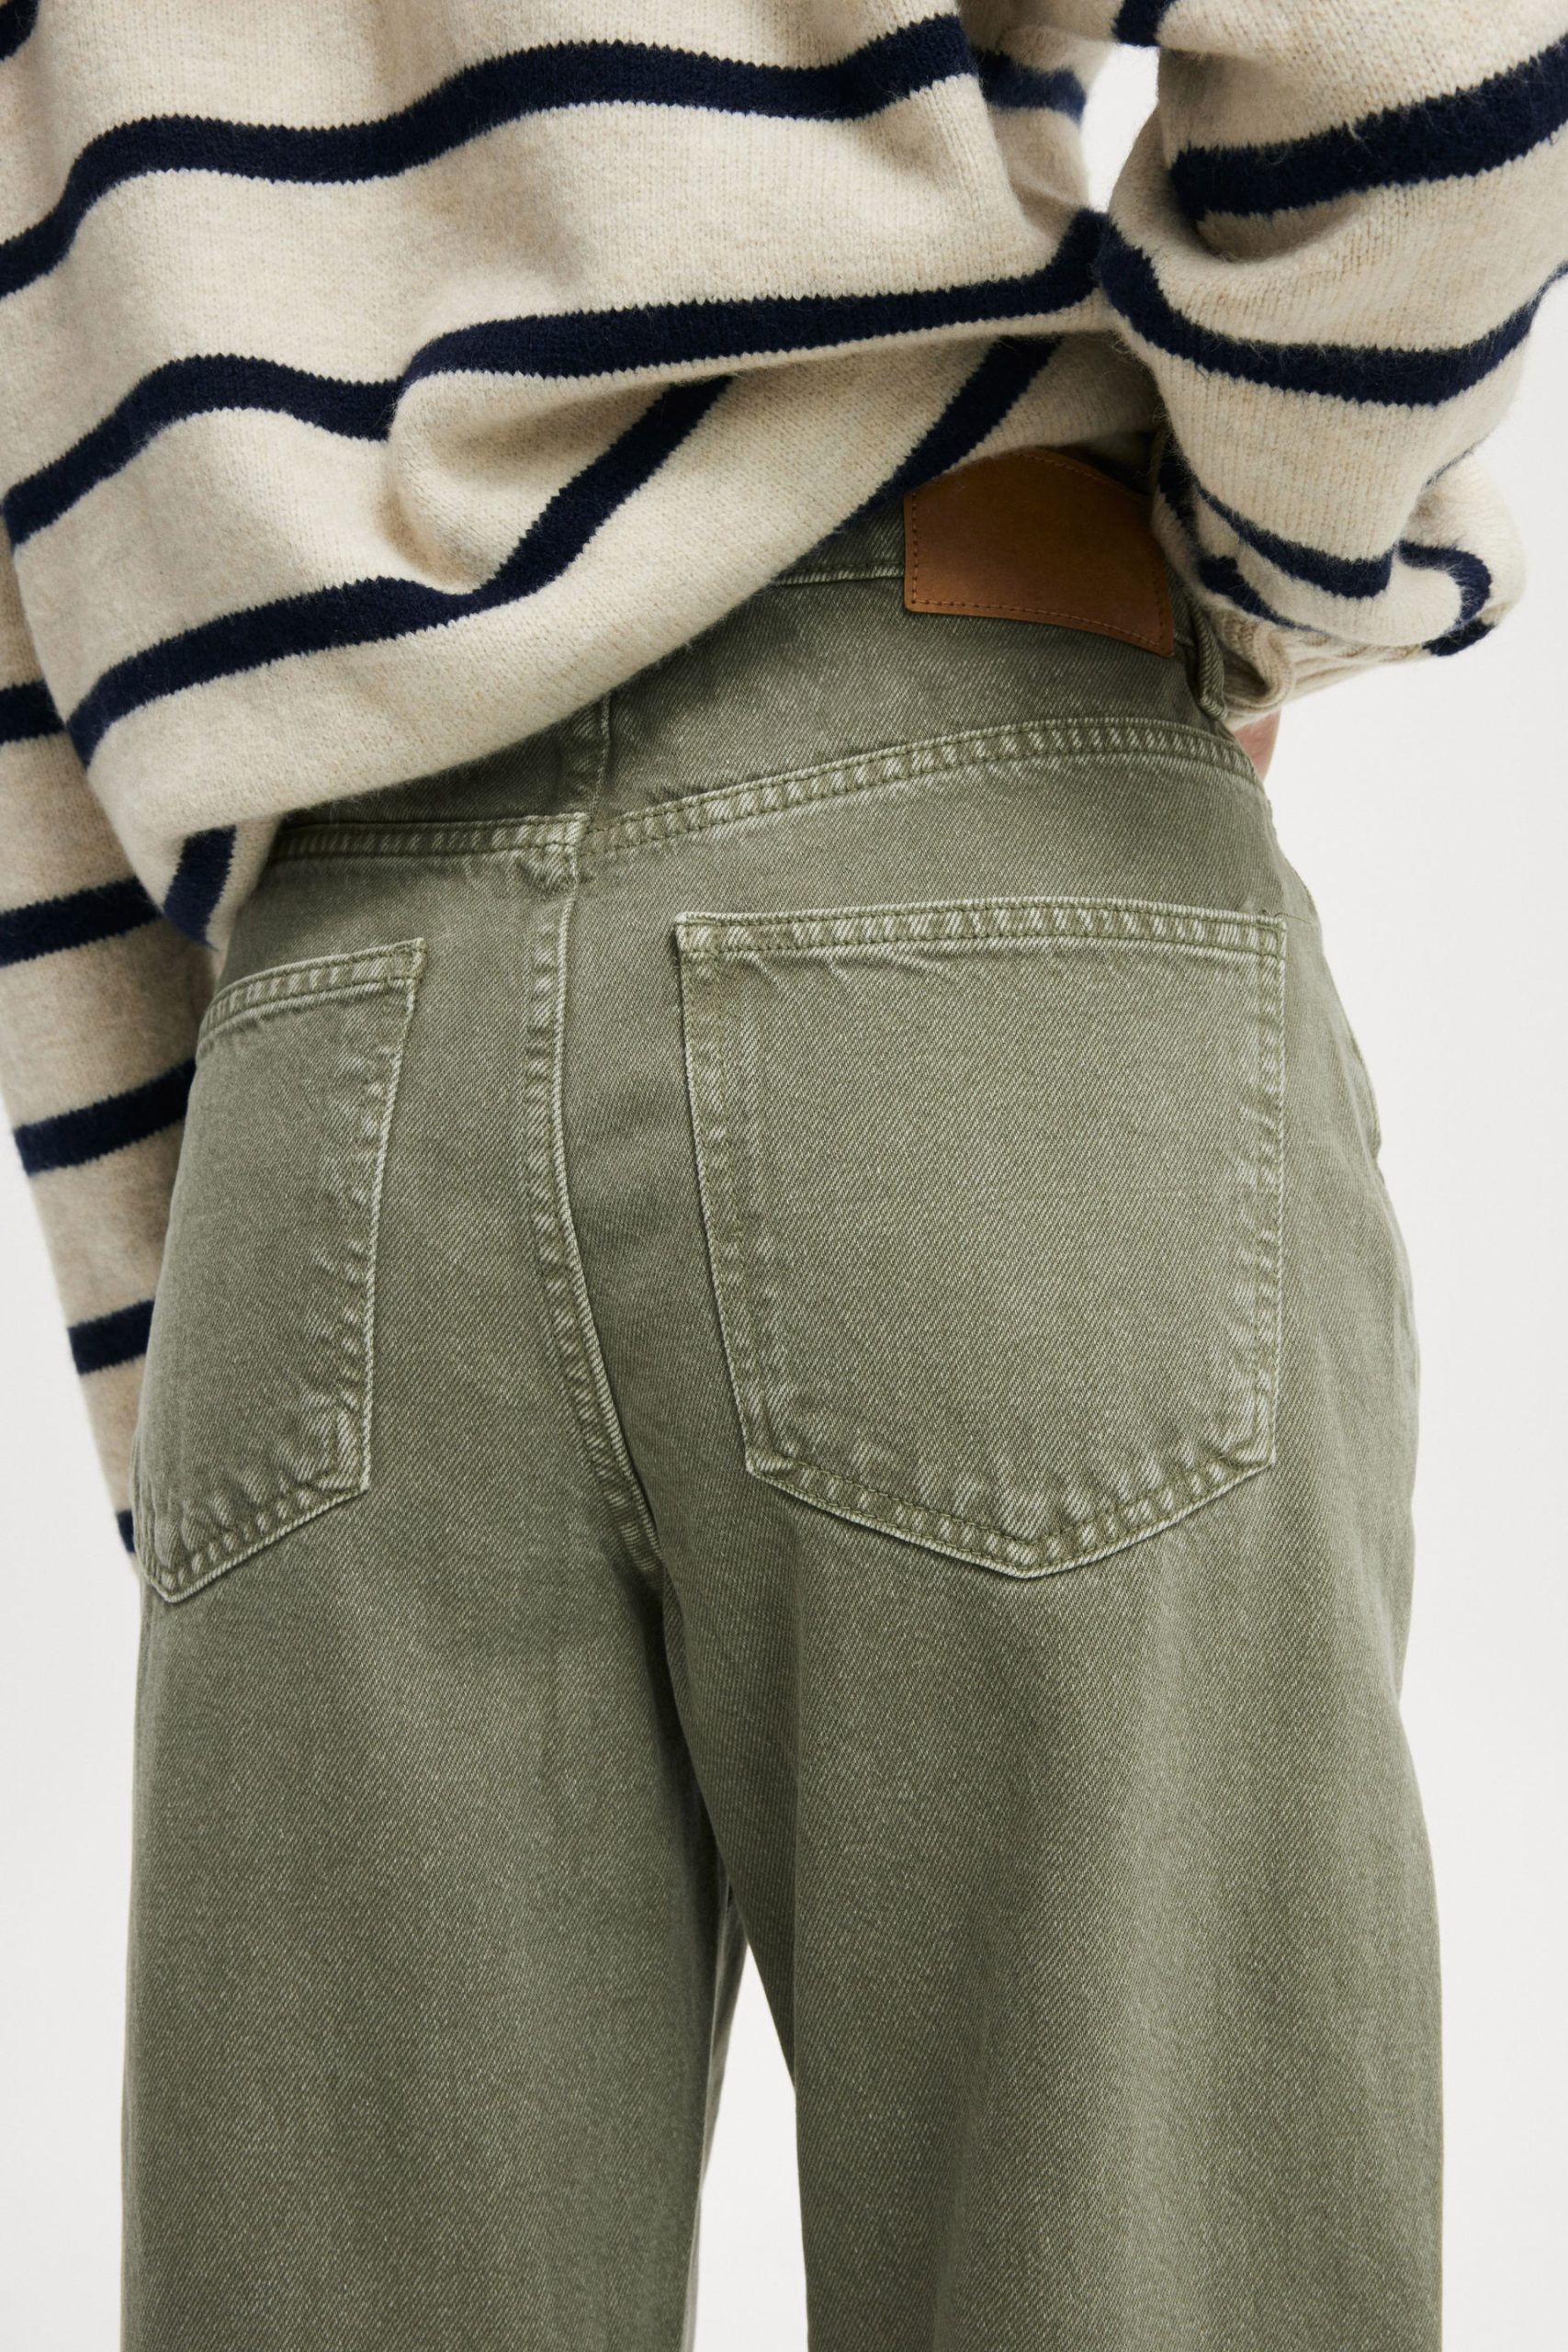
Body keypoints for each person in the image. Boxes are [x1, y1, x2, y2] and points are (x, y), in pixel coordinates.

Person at [1, 6, 1562, 2346]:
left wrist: (181, 1326)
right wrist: (1268, 571)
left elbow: (29, 513)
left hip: (324, 1044)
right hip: (973, 862)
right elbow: (1426, 48)